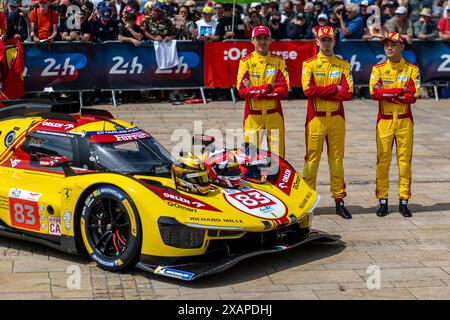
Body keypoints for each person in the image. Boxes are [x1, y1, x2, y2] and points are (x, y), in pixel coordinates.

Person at [301, 26, 353, 219]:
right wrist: (334, 88)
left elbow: (348, 93)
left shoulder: (343, 65)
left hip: (337, 118)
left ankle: (339, 201)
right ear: (317, 42)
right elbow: (308, 91)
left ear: (334, 42)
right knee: (311, 161)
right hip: (315, 118)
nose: (326, 43)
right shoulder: (309, 64)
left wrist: (324, 90)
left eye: (329, 40)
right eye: (323, 40)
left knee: (337, 161)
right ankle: (306, 204)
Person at [369, 32, 420, 217]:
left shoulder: (412, 69)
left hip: (405, 120)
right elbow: (375, 94)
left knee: (404, 163)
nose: (389, 48)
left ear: (402, 47)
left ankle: (403, 200)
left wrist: (388, 93)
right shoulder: (378, 68)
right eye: (386, 45)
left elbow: (412, 96)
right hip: (385, 121)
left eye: (394, 44)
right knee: (383, 162)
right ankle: (383, 200)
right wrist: (399, 91)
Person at [236, 25, 289, 158]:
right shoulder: (245, 62)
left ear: (270, 40)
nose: (262, 42)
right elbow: (242, 92)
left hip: (274, 115)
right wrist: (270, 86)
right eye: (258, 38)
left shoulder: (279, 61)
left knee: (278, 157)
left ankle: (274, 179)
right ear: (252, 40)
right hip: (252, 117)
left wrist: (255, 91)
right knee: (251, 157)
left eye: (265, 38)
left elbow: (283, 90)